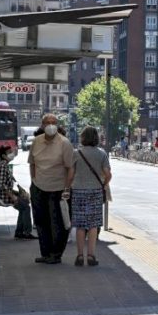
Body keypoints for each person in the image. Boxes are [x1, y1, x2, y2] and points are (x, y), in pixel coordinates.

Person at [29, 113, 75, 264]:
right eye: (47, 122)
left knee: (59, 223)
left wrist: (67, 188)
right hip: (38, 187)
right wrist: (33, 181)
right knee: (41, 222)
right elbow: (32, 163)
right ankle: (46, 253)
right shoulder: (36, 141)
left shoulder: (65, 143)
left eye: (53, 122)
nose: (50, 125)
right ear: (42, 125)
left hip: (59, 189)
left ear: (58, 125)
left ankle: (56, 254)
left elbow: (70, 168)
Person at [71, 126, 111, 267]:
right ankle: (92, 255)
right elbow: (108, 174)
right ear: (96, 138)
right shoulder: (101, 154)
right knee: (93, 225)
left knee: (80, 225)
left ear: (82, 138)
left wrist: (66, 188)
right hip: (95, 192)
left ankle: (80, 256)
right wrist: (103, 185)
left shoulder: (76, 153)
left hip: (78, 191)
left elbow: (71, 174)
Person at [0, 145, 35, 239]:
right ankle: (26, 232)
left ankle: (20, 232)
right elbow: (2, 185)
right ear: (3, 156)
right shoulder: (3, 166)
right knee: (25, 207)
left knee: (24, 204)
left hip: (4, 193)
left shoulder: (3, 164)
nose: (12, 154)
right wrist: (13, 197)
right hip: (2, 195)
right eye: (9, 153)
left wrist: (20, 191)